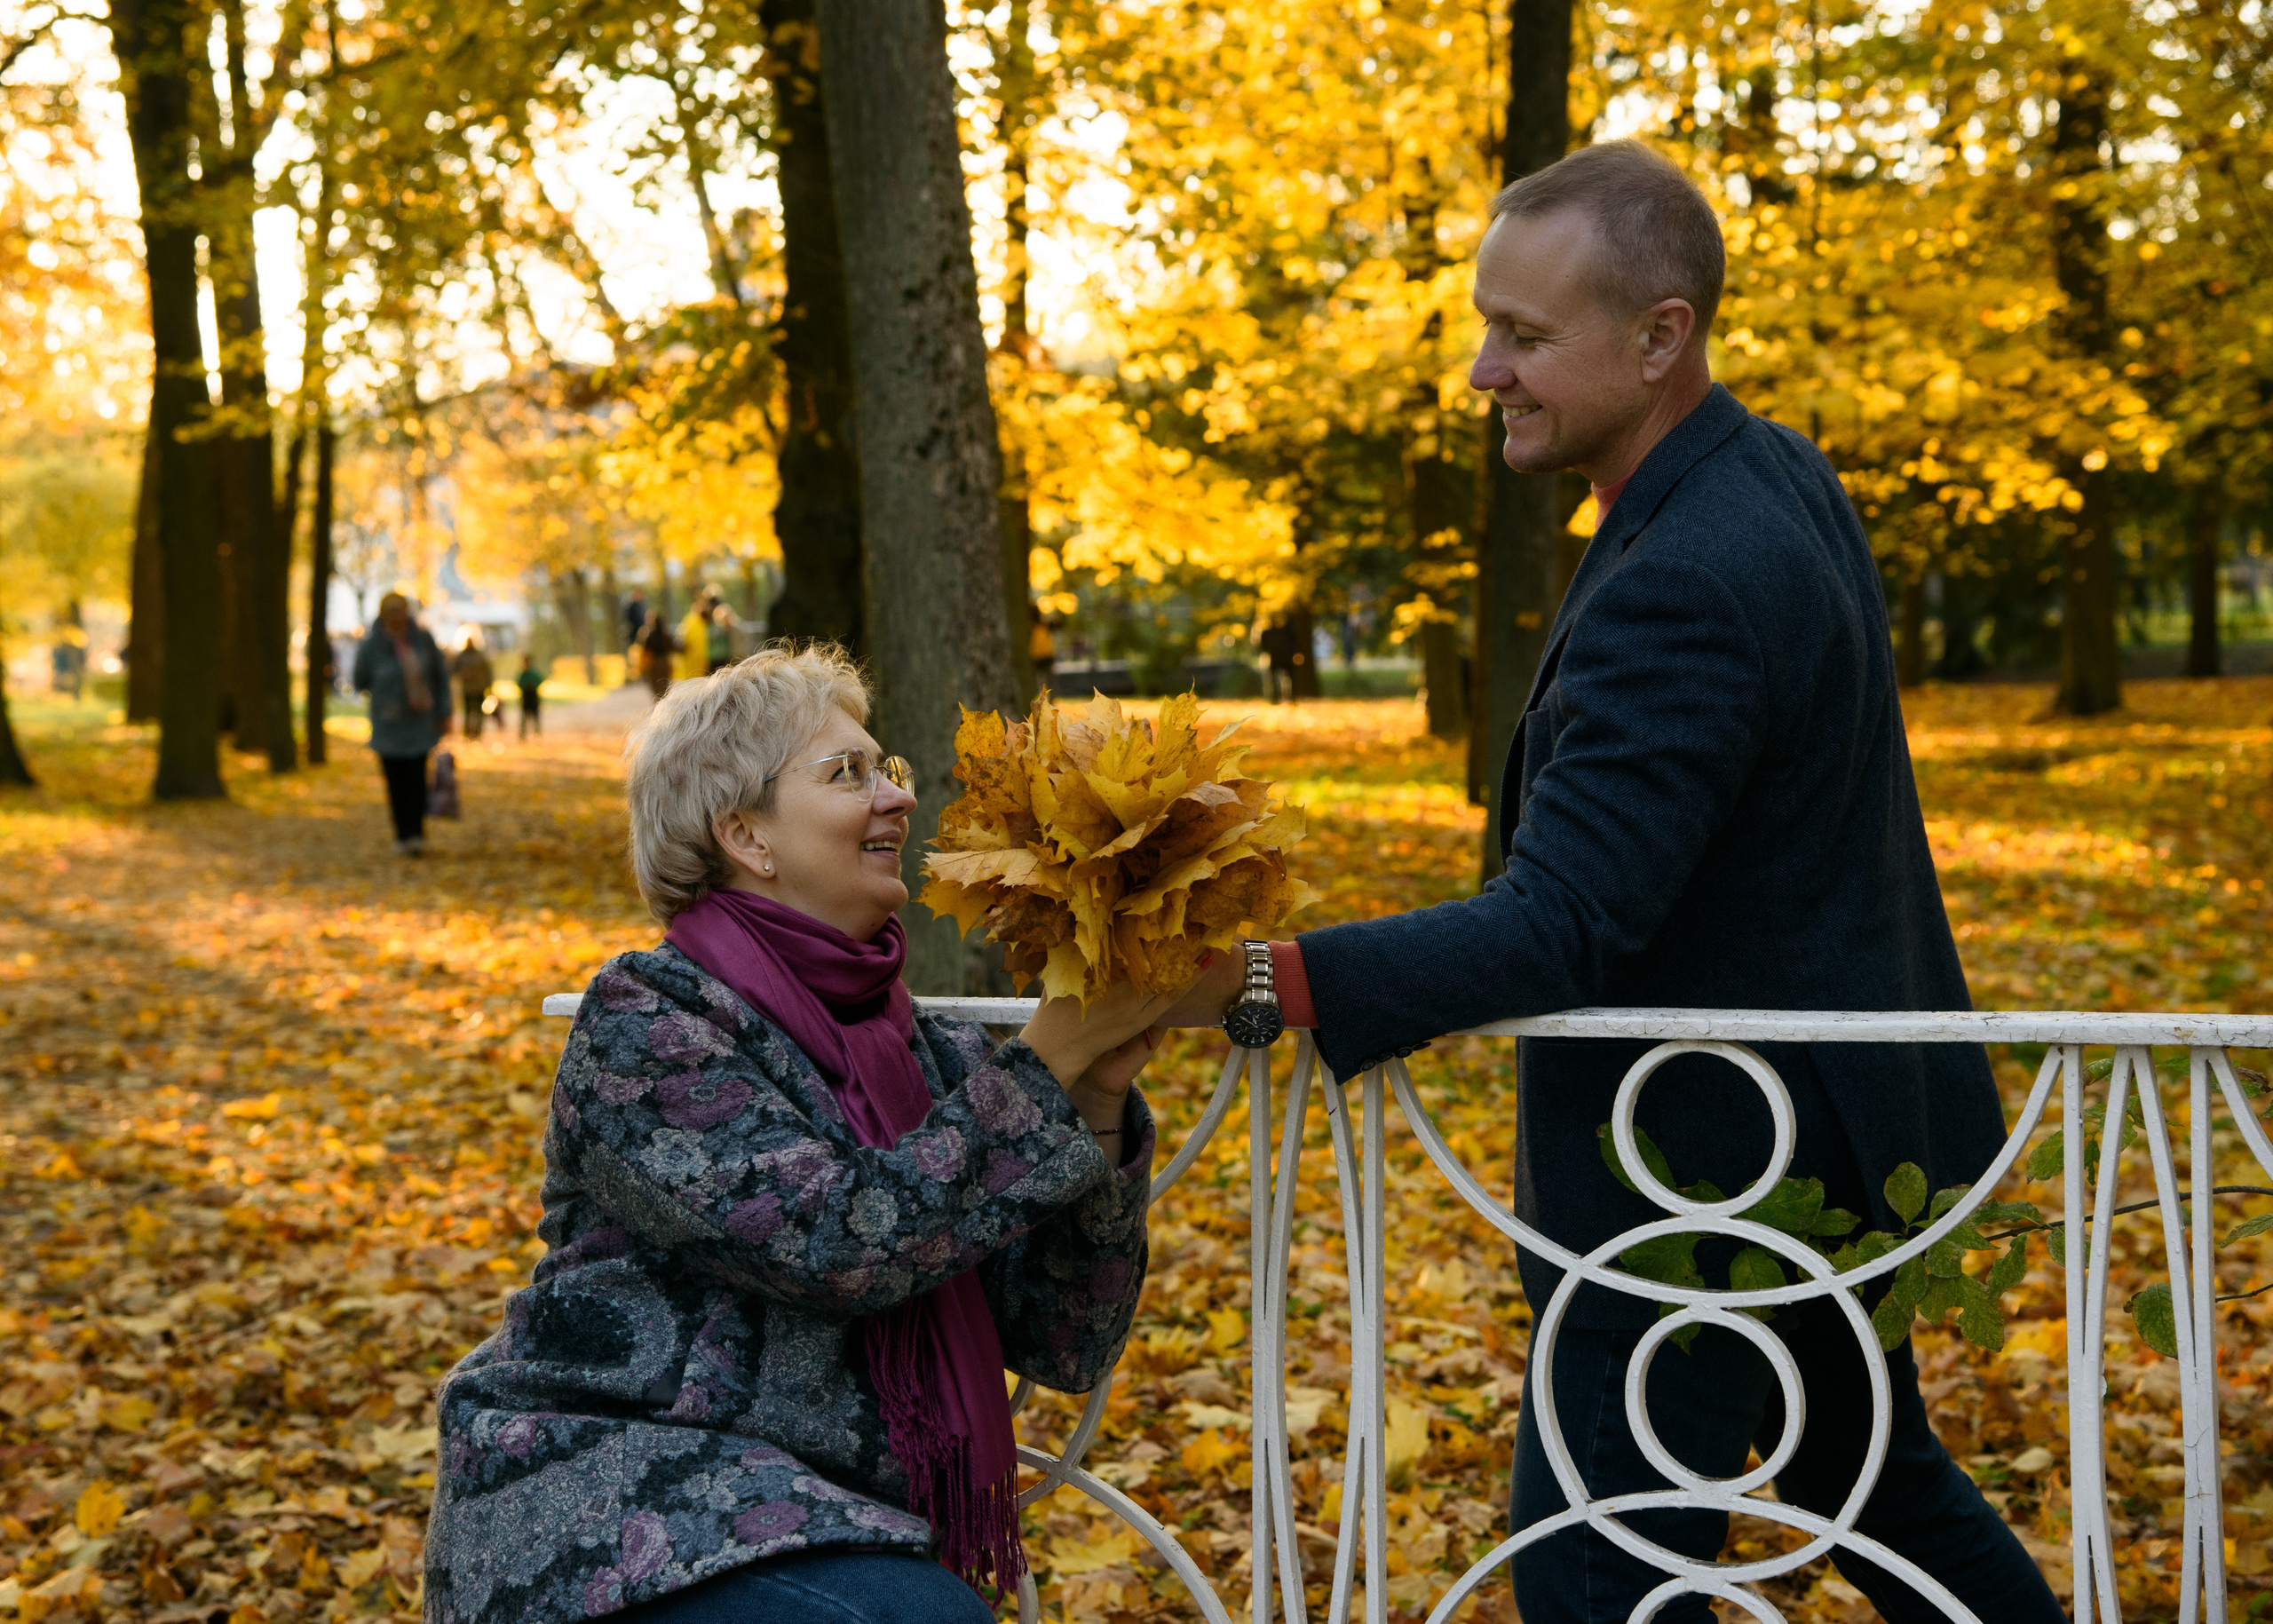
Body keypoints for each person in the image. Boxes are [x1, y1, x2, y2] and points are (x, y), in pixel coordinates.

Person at [1170, 141, 2061, 1624]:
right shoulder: (1766, 474)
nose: (1481, 371)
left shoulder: (1687, 570)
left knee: (1594, 1570)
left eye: (1523, 335)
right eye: (1484, 325)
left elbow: (1567, 916)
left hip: (1704, 1186)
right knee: (1879, 1489)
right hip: (1817, 1146)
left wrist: (1263, 978)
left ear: (1661, 339)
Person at [424, 646, 1176, 1624]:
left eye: (888, 769)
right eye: (847, 774)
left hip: (817, 1518)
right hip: (617, 1501)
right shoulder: (646, 1024)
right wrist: (1043, 1062)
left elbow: (1067, 1337)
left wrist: (1099, 1090)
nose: (897, 799)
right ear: (746, 834)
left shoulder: (927, 1053)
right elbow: (837, 1245)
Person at [352, 592, 452, 856]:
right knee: (395, 781)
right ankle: (402, 834)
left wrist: (445, 712)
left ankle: (417, 834)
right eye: (391, 611)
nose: (397, 616)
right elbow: (359, 680)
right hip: (388, 726)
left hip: (421, 722)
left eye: (401, 611)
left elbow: (440, 677)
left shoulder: (423, 640)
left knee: (417, 779)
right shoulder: (372, 645)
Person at [452, 630, 495, 742]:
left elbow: (488, 671)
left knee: (479, 712)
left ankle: (477, 733)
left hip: (480, 688)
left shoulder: (480, 655)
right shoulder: (461, 657)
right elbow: (453, 670)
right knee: (468, 712)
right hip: (468, 689)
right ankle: (467, 733)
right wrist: (462, 674)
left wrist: (489, 686)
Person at [675, 588, 716, 685]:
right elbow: (682, 642)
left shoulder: (699, 623)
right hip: (692, 667)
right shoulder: (693, 622)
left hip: (696, 666)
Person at [639, 612, 677, 701]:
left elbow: (645, 652)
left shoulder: (649, 636)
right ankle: (665, 704)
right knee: (665, 686)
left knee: (656, 688)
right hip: (665, 663)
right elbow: (673, 648)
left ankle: (658, 706)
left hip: (653, 664)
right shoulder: (666, 636)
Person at [515, 654, 544, 741]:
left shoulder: (534, 673)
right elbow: (518, 683)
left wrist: (532, 686)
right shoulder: (522, 674)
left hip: (533, 697)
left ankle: (537, 733)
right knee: (524, 719)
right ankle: (523, 735)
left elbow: (539, 681)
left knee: (536, 718)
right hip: (525, 697)